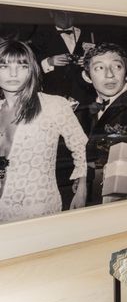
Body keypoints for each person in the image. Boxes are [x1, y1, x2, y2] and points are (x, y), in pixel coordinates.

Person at [0, 40, 87, 223]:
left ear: (31, 70)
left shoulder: (53, 105)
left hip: (38, 206)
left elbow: (79, 143)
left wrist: (82, 187)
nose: (13, 73)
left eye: (22, 66)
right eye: (4, 66)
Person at [80, 42, 127, 205]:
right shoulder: (82, 110)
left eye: (117, 66)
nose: (109, 75)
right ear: (87, 76)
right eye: (99, 68)